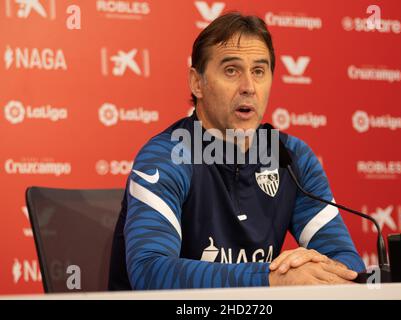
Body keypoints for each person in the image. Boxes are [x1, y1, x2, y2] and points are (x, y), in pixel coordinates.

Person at [108, 12, 365, 290]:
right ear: (197, 83)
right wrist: (269, 278)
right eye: (231, 70)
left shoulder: (290, 157)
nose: (248, 87)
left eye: (259, 71)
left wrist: (315, 268)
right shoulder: (165, 156)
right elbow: (150, 272)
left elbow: (349, 262)